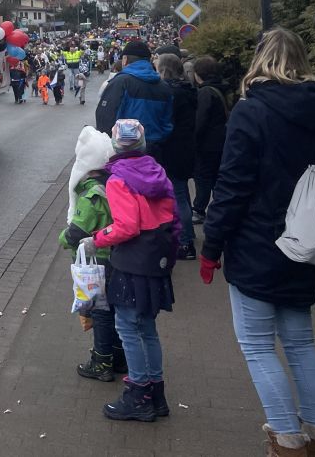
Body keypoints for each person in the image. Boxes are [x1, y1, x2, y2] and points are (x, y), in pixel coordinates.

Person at [200, 27, 315, 455]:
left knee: (258, 347)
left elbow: (232, 185)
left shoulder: (250, 111)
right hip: (305, 245)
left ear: (259, 60)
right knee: (301, 343)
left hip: (256, 245)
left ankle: (287, 441)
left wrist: (211, 246)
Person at [89, 118, 178, 422]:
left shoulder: (118, 180)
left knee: (128, 328)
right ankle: (156, 394)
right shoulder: (157, 172)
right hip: (156, 259)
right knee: (148, 329)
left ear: (115, 146)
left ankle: (138, 394)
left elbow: (126, 226)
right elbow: (172, 218)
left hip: (132, 263)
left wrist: (97, 239)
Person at [59, 126, 124, 381]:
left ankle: (101, 361)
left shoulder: (91, 195)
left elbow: (77, 231)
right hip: (114, 256)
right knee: (113, 311)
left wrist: (63, 239)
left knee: (100, 312)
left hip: (98, 261)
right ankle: (119, 357)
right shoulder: (112, 184)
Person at [151, 53, 198, 261]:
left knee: (178, 195)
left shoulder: (170, 92)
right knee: (182, 192)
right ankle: (189, 234)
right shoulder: (187, 88)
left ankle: (185, 243)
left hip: (173, 148)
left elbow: (166, 121)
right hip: (185, 146)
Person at [95, 39, 173, 148]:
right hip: (155, 148)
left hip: (125, 150)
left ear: (125, 60)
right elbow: (167, 123)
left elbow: (105, 118)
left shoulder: (121, 82)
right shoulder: (164, 86)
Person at [190, 55, 230, 223]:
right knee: (215, 177)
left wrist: (193, 140)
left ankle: (199, 209)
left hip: (207, 143)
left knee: (203, 177)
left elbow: (200, 120)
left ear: (198, 74)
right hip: (221, 141)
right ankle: (221, 208)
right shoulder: (222, 88)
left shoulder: (205, 92)